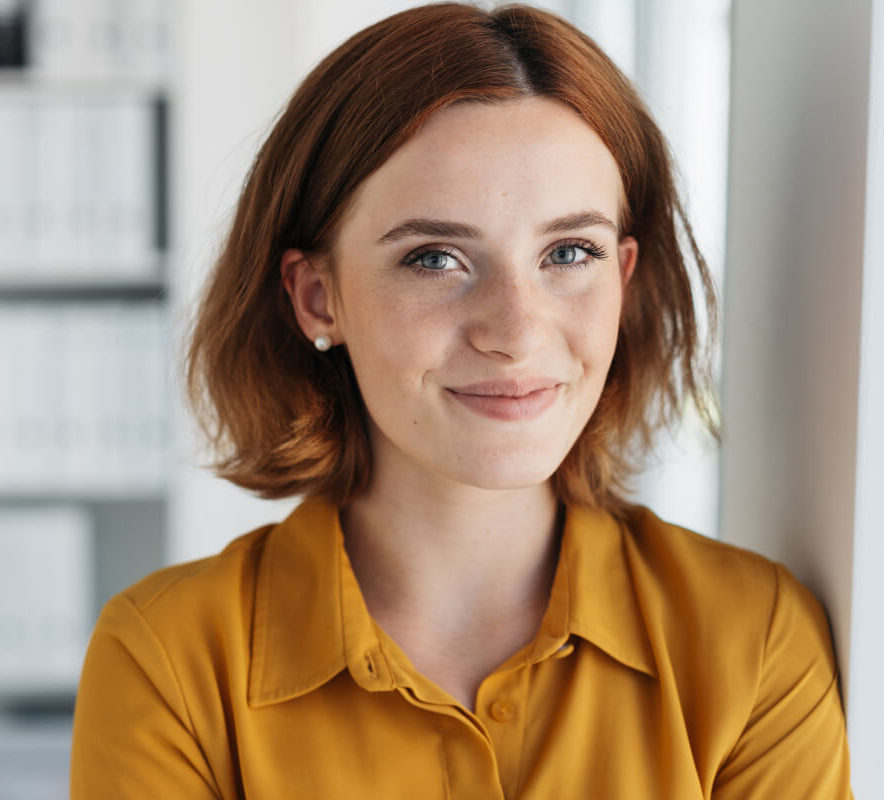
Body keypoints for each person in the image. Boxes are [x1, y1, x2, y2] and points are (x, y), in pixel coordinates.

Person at [70, 3, 853, 798]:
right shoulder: (167, 658)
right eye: (436, 258)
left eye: (568, 252)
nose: (515, 331)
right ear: (318, 298)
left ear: (621, 278)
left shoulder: (752, 640)